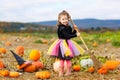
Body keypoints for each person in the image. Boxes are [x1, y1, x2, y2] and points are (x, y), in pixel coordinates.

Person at [47, 10, 85, 77]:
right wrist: (76, 35)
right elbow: (67, 36)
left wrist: (74, 30)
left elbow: (70, 34)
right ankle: (61, 72)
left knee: (68, 59)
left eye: (66, 19)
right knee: (62, 59)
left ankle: (68, 71)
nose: (65, 20)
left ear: (68, 19)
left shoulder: (68, 27)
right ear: (59, 20)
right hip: (62, 45)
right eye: (63, 19)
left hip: (68, 44)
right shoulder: (61, 28)